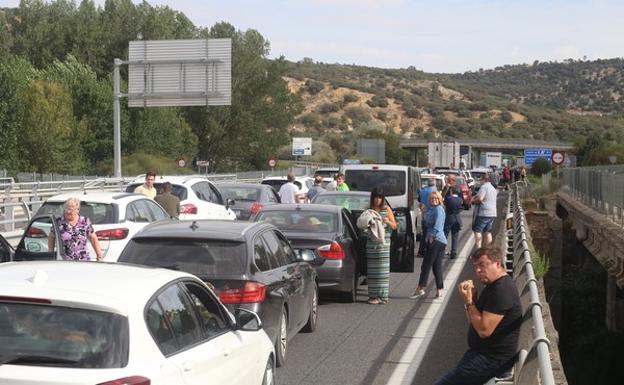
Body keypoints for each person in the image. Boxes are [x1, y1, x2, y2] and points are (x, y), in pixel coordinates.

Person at [435, 246, 521, 385]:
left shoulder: (501, 290)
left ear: (497, 264)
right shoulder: (492, 286)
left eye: (482, 265)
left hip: (491, 360)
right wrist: (472, 302)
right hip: (482, 355)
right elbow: (474, 324)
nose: (478, 271)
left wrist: (469, 302)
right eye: (475, 266)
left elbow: (483, 330)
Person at [363, 187, 397, 305]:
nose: (377, 200)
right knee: (372, 272)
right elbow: (362, 225)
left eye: (380, 198)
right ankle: (373, 296)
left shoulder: (386, 209)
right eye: (375, 197)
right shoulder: (368, 210)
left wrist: (387, 221)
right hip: (371, 244)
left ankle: (382, 297)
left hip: (383, 245)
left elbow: (394, 226)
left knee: (382, 272)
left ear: (383, 199)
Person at [411, 191, 447, 299]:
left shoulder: (438, 210)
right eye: (432, 198)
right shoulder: (433, 210)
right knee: (436, 267)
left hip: (436, 240)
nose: (434, 200)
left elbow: (437, 225)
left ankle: (420, 288)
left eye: (436, 198)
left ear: (439, 199)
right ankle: (439, 289)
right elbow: (427, 222)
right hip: (439, 241)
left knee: (426, 265)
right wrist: (423, 211)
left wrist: (431, 238)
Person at [47, 197, 104, 261]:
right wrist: (50, 254)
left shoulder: (84, 221)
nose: (68, 212)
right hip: (65, 261)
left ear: (77, 210)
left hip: (83, 260)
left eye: (71, 209)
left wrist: (99, 255)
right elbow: (51, 237)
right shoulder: (58, 222)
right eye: (66, 209)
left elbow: (93, 238)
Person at [471, 173, 498, 249]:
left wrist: (473, 201)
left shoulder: (484, 187)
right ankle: (488, 249)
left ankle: (478, 250)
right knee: (488, 232)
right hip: (492, 213)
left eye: (481, 180)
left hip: (483, 213)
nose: (480, 181)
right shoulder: (493, 188)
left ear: (484, 179)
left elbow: (480, 198)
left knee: (477, 231)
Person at [417, 178, 437, 258]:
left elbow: (419, 200)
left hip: (424, 214)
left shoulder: (423, 191)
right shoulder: (434, 191)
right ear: (434, 184)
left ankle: (421, 251)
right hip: (431, 214)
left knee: (424, 233)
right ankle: (428, 251)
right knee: (431, 233)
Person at [444, 186, 463, 259]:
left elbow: (445, 202)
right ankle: (453, 252)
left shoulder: (449, 199)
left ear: (452, 191)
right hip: (457, 218)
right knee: (455, 236)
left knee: (445, 234)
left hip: (449, 217)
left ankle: (442, 250)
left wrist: (448, 190)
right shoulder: (460, 199)